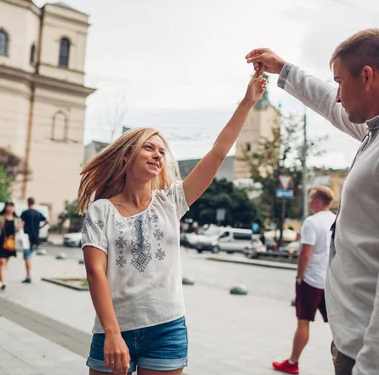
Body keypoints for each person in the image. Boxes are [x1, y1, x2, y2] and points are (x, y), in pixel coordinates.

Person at [247, 29, 379, 374]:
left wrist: (372, 367)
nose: (338, 95)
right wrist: (284, 70)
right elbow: (329, 102)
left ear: (367, 76)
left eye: (341, 82)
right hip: (365, 346)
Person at [77, 74, 266, 375]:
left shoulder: (171, 201)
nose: (157, 155)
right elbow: (94, 271)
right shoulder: (101, 211)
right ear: (127, 155)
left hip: (167, 329)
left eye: (162, 152)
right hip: (113, 328)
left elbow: (218, 153)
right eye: (149, 148)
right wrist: (112, 333)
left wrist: (247, 103)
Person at [273, 186, 336, 374]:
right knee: (338, 325)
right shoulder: (336, 220)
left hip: (311, 281)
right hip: (331, 280)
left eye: (310, 199)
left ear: (317, 202)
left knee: (303, 322)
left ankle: (293, 363)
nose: (308, 202)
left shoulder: (311, 222)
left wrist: (299, 277)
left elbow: (305, 254)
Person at [20, 197, 48, 283]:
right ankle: (28, 274)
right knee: (29, 255)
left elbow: (21, 224)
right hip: (35, 237)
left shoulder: (25, 213)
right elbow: (48, 220)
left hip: (26, 237)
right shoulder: (38, 213)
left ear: (28, 203)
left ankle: (28, 276)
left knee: (27, 256)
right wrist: (40, 227)